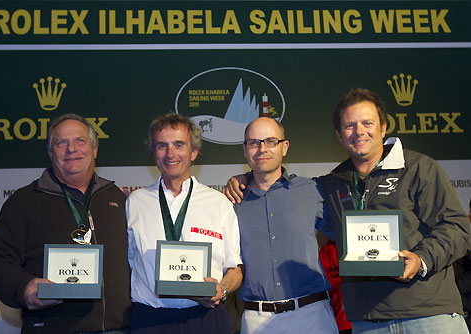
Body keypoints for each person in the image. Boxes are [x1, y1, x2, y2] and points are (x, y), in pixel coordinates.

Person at [224, 89, 470, 333]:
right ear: (340, 136)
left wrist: (422, 259)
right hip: (368, 321)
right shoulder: (330, 185)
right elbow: (270, 181)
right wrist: (244, 178)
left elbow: (458, 227)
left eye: (367, 123)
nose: (359, 131)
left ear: (383, 128)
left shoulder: (419, 168)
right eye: (349, 126)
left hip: (429, 314)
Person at [0, 114, 131, 334]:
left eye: (80, 140)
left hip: (120, 330)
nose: (71, 149)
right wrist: (24, 288)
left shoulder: (119, 200)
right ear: (51, 153)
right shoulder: (24, 202)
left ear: (95, 149)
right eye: (62, 143)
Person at [126, 113, 243, 334]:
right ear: (153, 153)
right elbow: (130, 264)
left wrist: (222, 290)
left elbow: (235, 269)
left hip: (206, 317)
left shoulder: (218, 203)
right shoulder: (135, 202)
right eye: (162, 146)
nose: (170, 154)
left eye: (179, 144)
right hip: (150, 319)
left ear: (194, 152)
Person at [232, 117, 338, 334]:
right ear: (245, 150)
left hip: (312, 316)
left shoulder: (311, 190)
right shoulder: (231, 201)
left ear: (284, 147)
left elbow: (347, 235)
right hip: (257, 321)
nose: (262, 148)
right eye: (254, 142)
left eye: (271, 141)